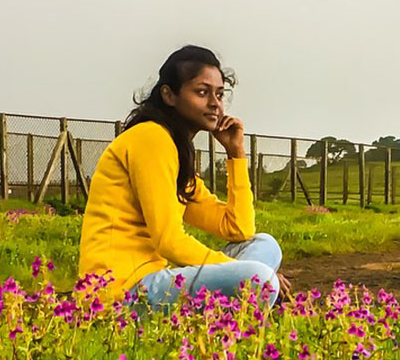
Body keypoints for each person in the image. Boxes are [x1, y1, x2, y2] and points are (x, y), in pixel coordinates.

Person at [78, 45, 288, 308]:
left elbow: (238, 228)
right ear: (169, 95)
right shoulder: (151, 138)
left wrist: (236, 153)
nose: (215, 104)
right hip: (120, 293)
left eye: (220, 94)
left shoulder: (175, 151)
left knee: (265, 245)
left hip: (152, 282)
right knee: (257, 277)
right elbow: (169, 241)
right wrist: (246, 274)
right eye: (202, 92)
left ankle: (237, 303)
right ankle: (239, 308)